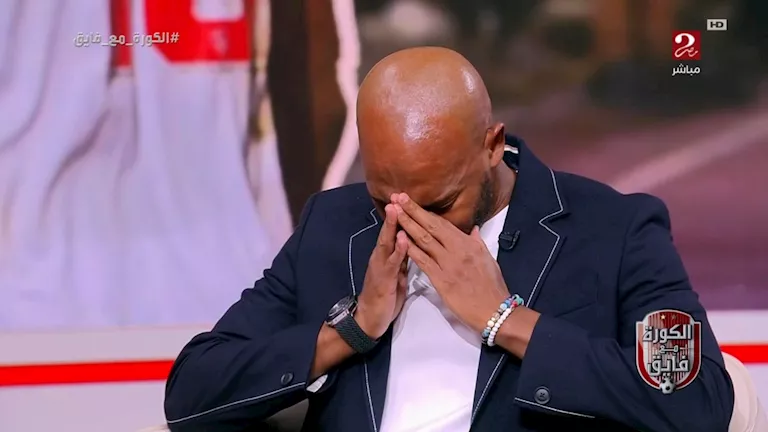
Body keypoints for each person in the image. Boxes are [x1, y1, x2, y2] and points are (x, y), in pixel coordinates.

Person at [163, 47, 734, 431]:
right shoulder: (333, 224)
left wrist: (507, 320)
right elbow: (192, 390)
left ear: (492, 146)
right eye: (384, 201)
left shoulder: (614, 229)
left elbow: (695, 401)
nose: (408, 224)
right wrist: (351, 331)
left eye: (438, 205)